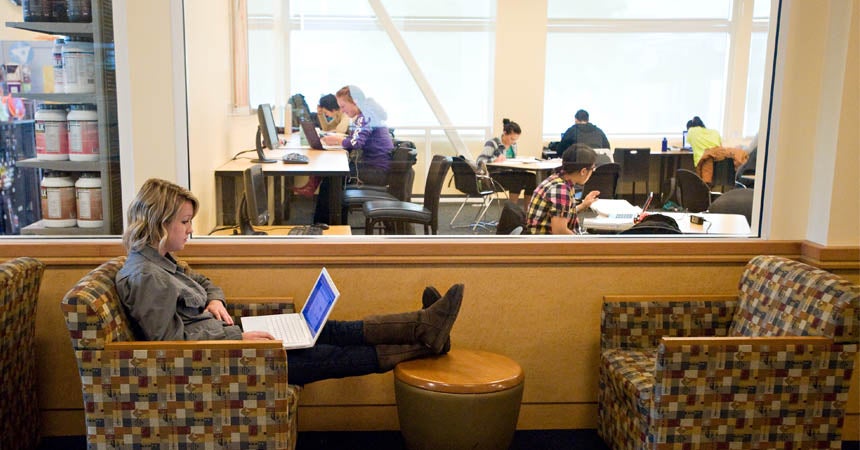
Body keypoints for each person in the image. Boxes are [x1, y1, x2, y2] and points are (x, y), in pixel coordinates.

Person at [116, 178, 464, 386]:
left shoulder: (158, 259)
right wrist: (240, 338)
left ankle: (423, 324)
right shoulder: (146, 277)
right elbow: (172, 350)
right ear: (159, 222)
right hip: (226, 361)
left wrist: (215, 300)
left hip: (231, 342)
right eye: (185, 222)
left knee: (332, 328)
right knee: (330, 353)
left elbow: (204, 282)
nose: (191, 229)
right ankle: (427, 341)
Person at [526, 144, 600, 235]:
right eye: (593, 169)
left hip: (545, 240)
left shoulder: (559, 178)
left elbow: (559, 214)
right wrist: (582, 242)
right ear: (583, 171)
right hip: (547, 245)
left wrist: (583, 205)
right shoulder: (561, 189)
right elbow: (560, 232)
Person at [290, 94, 352, 197]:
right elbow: (327, 128)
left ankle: (311, 186)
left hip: (348, 152)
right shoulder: (337, 114)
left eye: (325, 112)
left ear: (332, 109)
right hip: (341, 146)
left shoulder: (345, 114)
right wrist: (320, 115)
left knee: (322, 159)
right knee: (320, 155)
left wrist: (331, 132)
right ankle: (311, 186)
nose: (326, 115)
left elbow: (340, 131)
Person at [477, 118, 536, 206]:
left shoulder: (513, 145)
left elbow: (510, 160)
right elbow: (480, 161)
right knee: (517, 179)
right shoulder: (493, 143)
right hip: (495, 175)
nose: (513, 142)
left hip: (510, 173)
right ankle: (512, 211)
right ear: (505, 133)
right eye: (512, 139)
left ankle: (527, 214)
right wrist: (494, 160)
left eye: (515, 139)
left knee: (532, 178)